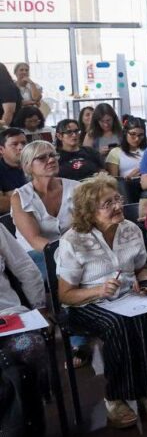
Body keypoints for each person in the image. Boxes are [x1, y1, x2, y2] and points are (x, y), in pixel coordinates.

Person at [56, 175, 147, 428]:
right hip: (85, 304)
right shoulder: (73, 241)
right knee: (117, 325)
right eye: (108, 203)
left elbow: (141, 268)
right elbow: (65, 295)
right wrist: (97, 290)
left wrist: (146, 282)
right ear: (89, 211)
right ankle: (115, 396)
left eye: (117, 199)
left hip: (127, 297)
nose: (118, 206)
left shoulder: (130, 229)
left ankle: (146, 390)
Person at [11, 140, 88, 366]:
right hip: (34, 256)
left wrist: (73, 250)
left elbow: (86, 225)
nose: (51, 160)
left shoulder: (76, 188)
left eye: (52, 155)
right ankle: (77, 336)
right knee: (61, 271)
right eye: (42, 158)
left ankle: (84, 321)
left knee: (76, 266)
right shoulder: (20, 196)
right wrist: (67, 254)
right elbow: (34, 240)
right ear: (28, 165)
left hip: (73, 248)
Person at [0, 220, 49, 399]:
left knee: (29, 347)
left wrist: (39, 308)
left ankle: (29, 419)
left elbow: (26, 269)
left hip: (7, 316)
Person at [0, 128, 28, 213]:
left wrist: (13, 196)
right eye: (14, 144)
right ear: (1, 150)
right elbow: (1, 204)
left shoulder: (36, 163)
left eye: (23, 143)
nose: (21, 147)